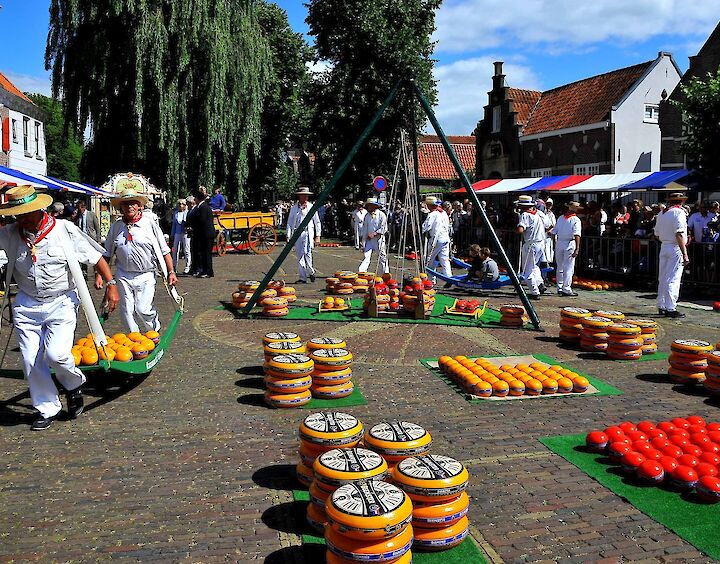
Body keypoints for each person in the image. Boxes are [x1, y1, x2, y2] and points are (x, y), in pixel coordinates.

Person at [0, 185, 119, 430]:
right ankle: (46, 408)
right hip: (27, 303)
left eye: (25, 213)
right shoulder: (10, 233)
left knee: (56, 354)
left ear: (39, 209)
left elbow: (95, 257)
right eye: (17, 214)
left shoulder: (64, 230)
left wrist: (111, 283)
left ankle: (74, 385)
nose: (21, 218)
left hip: (61, 301)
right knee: (30, 359)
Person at [100, 186, 177, 333]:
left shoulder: (150, 224)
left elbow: (164, 250)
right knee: (127, 310)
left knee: (143, 308)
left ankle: (153, 331)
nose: (130, 206)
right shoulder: (116, 227)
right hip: (123, 274)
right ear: (120, 207)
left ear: (139, 205)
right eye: (125, 203)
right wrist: (100, 275)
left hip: (146, 274)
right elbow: (106, 254)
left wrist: (171, 272)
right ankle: (134, 338)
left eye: (133, 203)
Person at [654, 192, 690, 318]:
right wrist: (685, 253)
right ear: (681, 202)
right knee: (673, 277)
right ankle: (670, 307)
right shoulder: (679, 213)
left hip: (664, 245)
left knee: (663, 276)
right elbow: (679, 233)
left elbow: (657, 234)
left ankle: (662, 304)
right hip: (675, 246)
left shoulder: (662, 213)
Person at [286, 186, 321, 283]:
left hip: (308, 232)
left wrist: (318, 235)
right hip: (297, 233)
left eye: (306, 195)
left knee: (307, 253)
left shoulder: (311, 207)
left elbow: (317, 222)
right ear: (299, 196)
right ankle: (302, 277)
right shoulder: (294, 208)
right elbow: (290, 222)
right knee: (299, 255)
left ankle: (311, 271)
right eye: (303, 195)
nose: (305, 197)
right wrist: (288, 235)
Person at [515, 195, 545, 300]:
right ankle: (539, 283)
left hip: (531, 244)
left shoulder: (525, 215)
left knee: (527, 270)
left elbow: (521, 230)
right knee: (534, 266)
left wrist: (517, 226)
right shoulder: (538, 214)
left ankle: (534, 291)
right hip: (540, 243)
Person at [551, 201, 583, 297]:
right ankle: (566, 288)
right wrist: (577, 248)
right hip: (569, 242)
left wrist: (554, 244)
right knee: (568, 267)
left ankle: (560, 287)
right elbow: (577, 234)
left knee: (560, 266)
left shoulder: (561, 218)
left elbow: (554, 232)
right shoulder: (576, 220)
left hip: (560, 242)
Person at [186, 188, 215, 278]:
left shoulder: (203, 207)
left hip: (206, 234)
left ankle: (208, 271)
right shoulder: (202, 207)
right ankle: (204, 270)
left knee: (206, 253)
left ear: (198, 199)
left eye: (195, 198)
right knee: (203, 253)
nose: (194, 200)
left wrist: (193, 224)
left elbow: (202, 220)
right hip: (204, 234)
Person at [422, 198, 452, 284]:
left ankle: (430, 280)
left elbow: (426, 227)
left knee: (430, 259)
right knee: (444, 260)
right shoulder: (443, 213)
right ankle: (448, 277)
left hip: (436, 239)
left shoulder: (433, 214)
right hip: (445, 238)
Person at [359, 198, 389, 274]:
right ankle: (362, 272)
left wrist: (375, 233)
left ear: (374, 206)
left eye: (369, 206)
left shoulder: (381, 215)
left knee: (382, 256)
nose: (368, 208)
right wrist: (363, 240)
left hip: (379, 239)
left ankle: (385, 273)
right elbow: (365, 229)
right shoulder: (367, 216)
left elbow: (384, 228)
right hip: (369, 239)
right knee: (366, 255)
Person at [170, 198, 191, 275]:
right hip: (177, 233)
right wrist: (172, 234)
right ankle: (174, 266)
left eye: (182, 204)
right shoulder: (175, 213)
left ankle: (187, 266)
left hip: (185, 233)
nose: (181, 206)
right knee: (175, 250)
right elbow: (174, 225)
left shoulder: (187, 213)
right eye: (179, 204)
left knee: (186, 250)